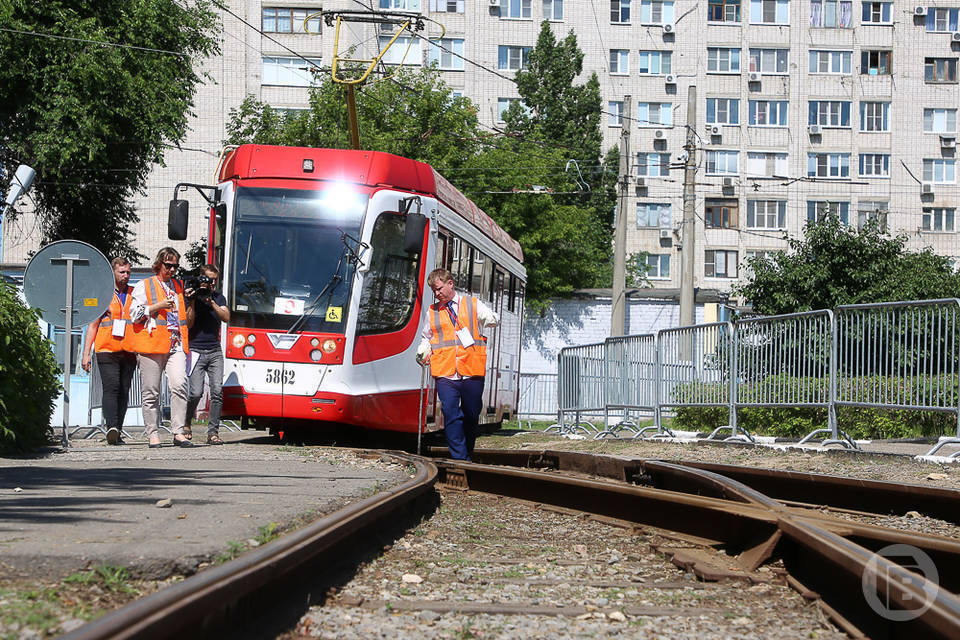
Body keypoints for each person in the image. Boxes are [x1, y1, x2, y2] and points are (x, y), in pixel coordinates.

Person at [416, 268, 498, 460]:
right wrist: (423, 349)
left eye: (439, 289)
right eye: (434, 291)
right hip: (445, 372)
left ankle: (467, 453)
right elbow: (427, 336)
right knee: (450, 413)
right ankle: (460, 459)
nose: (437, 293)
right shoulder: (432, 311)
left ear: (450, 283)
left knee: (471, 414)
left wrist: (490, 319)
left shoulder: (472, 304)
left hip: (471, 370)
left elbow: (493, 319)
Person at [129, 247, 193, 448]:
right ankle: (153, 433)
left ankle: (178, 432)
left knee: (180, 385)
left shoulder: (178, 286)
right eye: (168, 265)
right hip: (152, 344)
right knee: (151, 391)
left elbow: (183, 317)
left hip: (175, 343)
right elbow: (134, 314)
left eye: (176, 266)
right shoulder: (144, 285)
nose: (172, 270)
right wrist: (158, 306)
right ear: (159, 264)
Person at [81, 257, 136, 445]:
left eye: (128, 272)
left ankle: (117, 431)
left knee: (124, 391)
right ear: (113, 273)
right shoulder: (103, 294)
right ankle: (111, 427)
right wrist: (86, 354)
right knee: (111, 388)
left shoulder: (135, 294)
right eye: (122, 272)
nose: (126, 276)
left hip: (129, 350)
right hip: (106, 349)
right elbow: (93, 326)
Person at [184, 264, 230, 445]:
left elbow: (226, 317)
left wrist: (211, 301)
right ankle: (187, 423)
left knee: (217, 391)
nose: (211, 283)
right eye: (209, 279)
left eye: (215, 280)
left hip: (214, 351)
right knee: (196, 393)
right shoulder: (191, 295)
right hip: (195, 349)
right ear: (201, 278)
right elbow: (188, 323)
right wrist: (193, 300)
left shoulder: (218, 297)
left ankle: (213, 433)